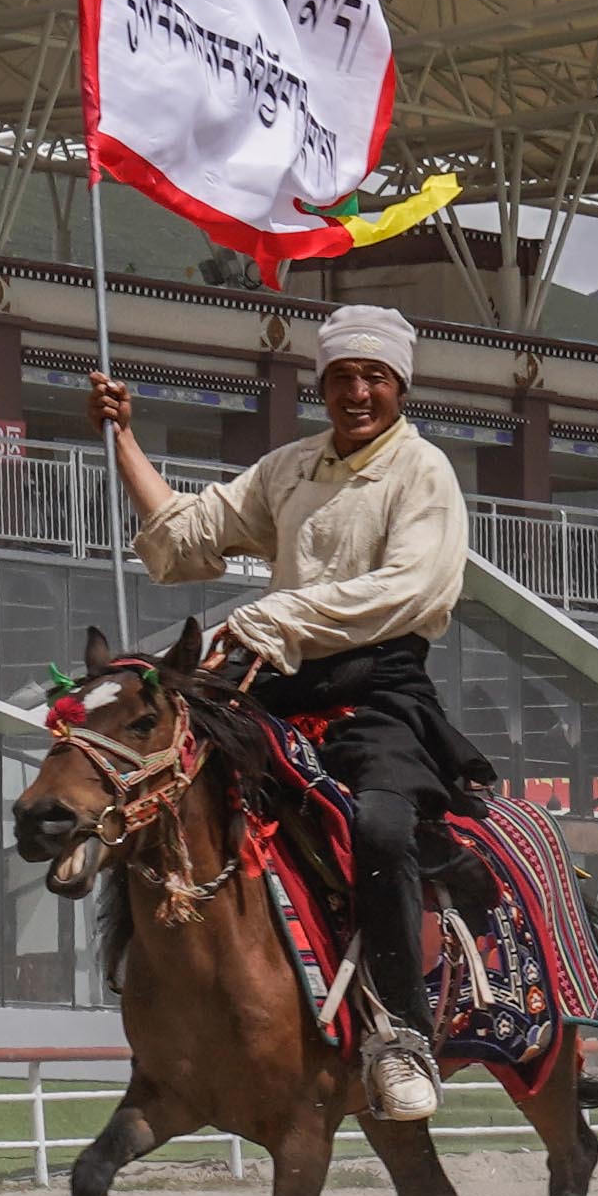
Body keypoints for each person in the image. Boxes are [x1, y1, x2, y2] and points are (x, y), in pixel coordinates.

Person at [94, 301, 483, 1127]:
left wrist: (279, 616)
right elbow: (186, 540)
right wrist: (123, 439)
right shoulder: (290, 468)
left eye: (375, 376)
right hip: (277, 690)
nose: (357, 391)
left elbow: (414, 586)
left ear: (400, 385)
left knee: (377, 827)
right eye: (343, 375)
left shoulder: (424, 472)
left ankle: (404, 1033)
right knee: (171, 789)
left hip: (379, 692)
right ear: (323, 383)